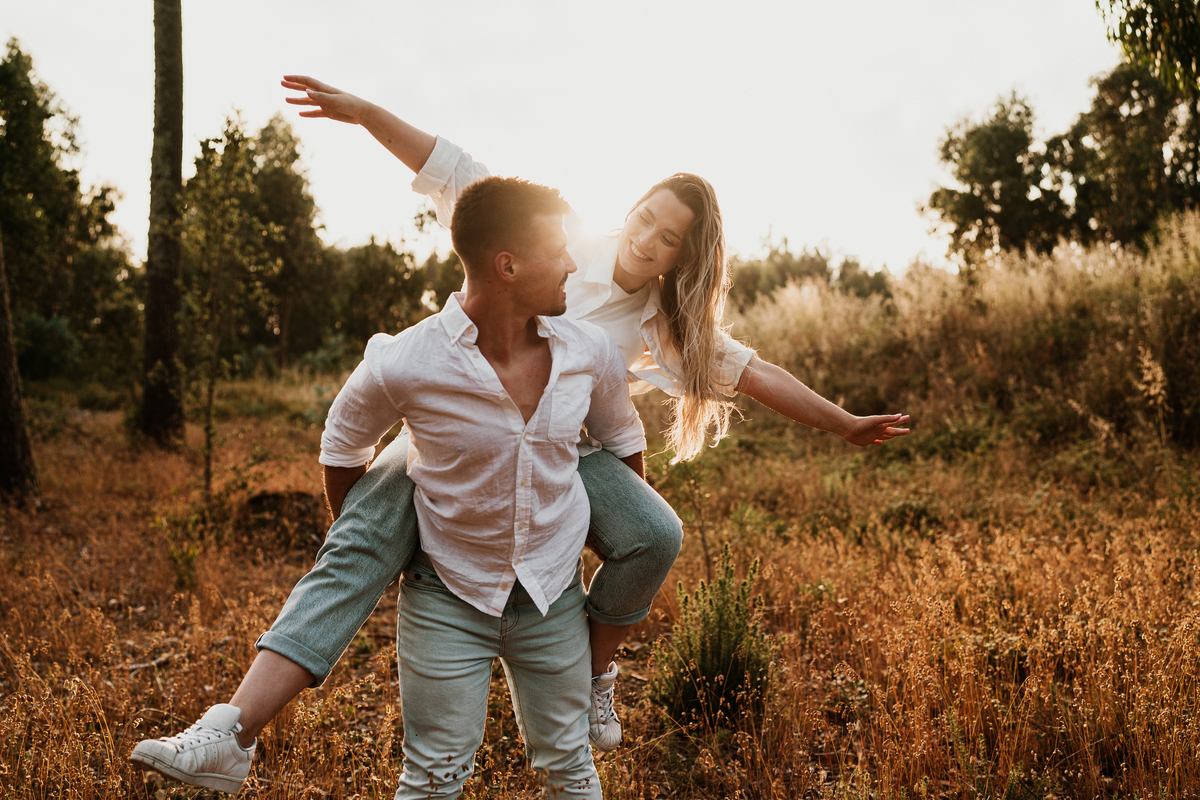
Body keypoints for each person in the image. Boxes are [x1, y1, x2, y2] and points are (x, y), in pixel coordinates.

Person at [129, 75, 910, 793]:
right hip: (462, 418)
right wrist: (365, 114)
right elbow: (451, 167)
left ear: (685, 255)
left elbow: (754, 373)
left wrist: (840, 421)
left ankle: (595, 677)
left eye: (668, 238)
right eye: (645, 218)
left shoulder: (660, 324)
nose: (646, 241)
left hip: (568, 448)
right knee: (359, 542)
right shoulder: (548, 237)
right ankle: (230, 730)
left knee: (656, 532)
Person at [134, 175, 642, 799]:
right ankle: (229, 735)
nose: (572, 263)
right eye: (558, 250)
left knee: (571, 770)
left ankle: (230, 730)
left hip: (552, 595)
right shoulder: (407, 361)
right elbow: (342, 443)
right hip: (446, 598)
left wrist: (603, 540)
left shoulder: (588, 352)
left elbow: (622, 446)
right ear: (506, 265)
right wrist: (380, 532)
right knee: (432, 780)